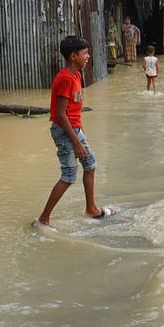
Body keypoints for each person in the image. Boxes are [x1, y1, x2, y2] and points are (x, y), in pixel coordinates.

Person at [36, 36, 113, 226]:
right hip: (64, 131)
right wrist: (76, 141)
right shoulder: (65, 79)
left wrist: (81, 134)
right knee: (69, 176)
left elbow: (74, 109)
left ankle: (91, 209)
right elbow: (61, 115)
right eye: (85, 53)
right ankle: (43, 219)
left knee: (91, 165)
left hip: (75, 129)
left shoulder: (77, 75)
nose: (88, 56)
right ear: (73, 56)